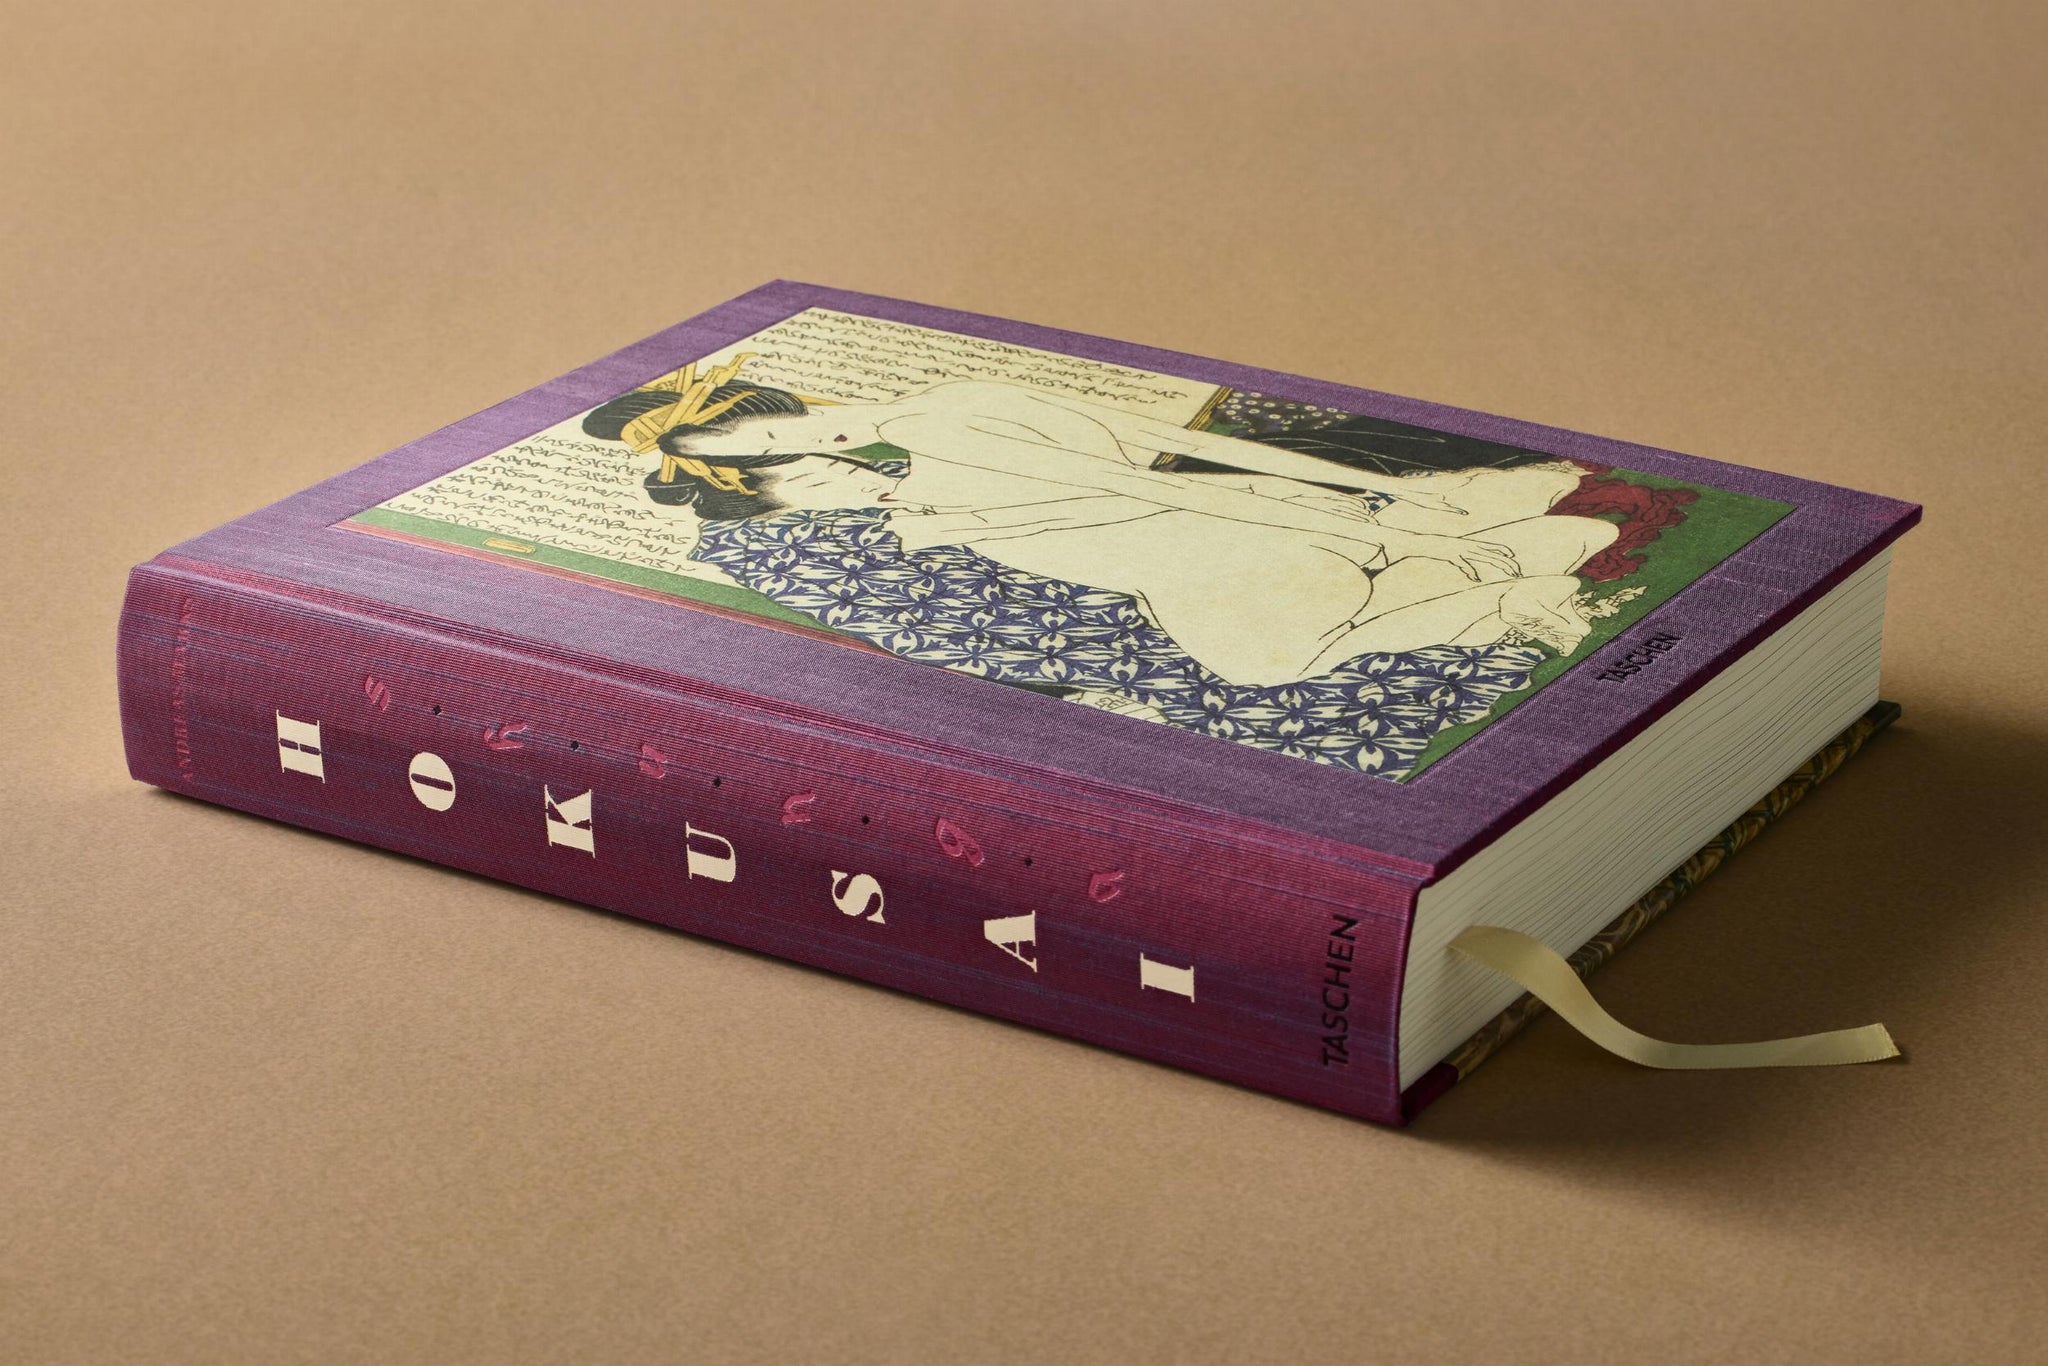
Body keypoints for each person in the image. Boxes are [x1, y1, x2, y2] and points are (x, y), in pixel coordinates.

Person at [586, 378, 1622, 688]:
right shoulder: (922, 478)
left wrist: (1364, 506)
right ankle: (1496, 568)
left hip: (1212, 538)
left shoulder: (948, 436)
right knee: (1268, 651)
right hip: (1189, 547)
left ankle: (1491, 572)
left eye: (779, 435)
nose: (810, 450)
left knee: (1262, 658)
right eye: (783, 465)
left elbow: (1155, 473)